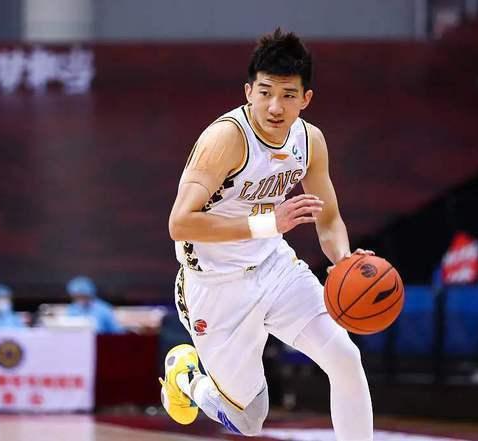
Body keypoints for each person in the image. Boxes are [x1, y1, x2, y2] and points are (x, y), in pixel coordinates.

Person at [162, 28, 374, 441]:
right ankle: (186, 378)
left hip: (274, 267)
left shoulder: (309, 141)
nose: (275, 106)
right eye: (265, 92)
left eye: (288, 95)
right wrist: (266, 224)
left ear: (305, 98)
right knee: (249, 420)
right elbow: (179, 223)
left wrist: (344, 260)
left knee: (345, 358)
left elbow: (329, 218)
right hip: (215, 284)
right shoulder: (225, 139)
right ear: (249, 92)